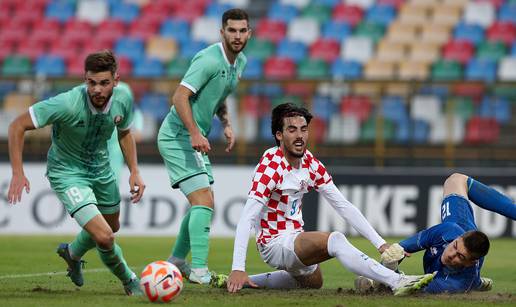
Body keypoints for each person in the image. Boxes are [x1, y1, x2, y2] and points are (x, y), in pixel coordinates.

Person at [221, 103, 434, 296]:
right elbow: (246, 218)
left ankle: (242, 283)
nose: (299, 136)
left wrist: (380, 243)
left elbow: (342, 205)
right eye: (292, 129)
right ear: (279, 135)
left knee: (312, 283)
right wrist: (238, 267)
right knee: (335, 239)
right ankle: (397, 281)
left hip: (295, 238)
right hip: (273, 242)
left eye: (303, 129)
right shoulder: (271, 166)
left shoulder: (309, 163)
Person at [7, 50, 145, 296]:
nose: (97, 90)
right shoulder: (67, 103)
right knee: (104, 237)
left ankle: (72, 253)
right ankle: (130, 279)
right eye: (91, 83)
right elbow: (17, 125)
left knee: (112, 226)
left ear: (116, 80)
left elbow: (124, 132)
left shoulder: (123, 99)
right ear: (85, 79)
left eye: (104, 83)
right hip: (67, 172)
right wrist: (18, 172)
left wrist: (134, 170)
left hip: (101, 169)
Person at [157, 8, 250, 284]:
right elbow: (180, 96)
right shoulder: (208, 59)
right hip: (178, 136)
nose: (237, 36)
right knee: (204, 201)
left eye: (242, 30)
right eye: (231, 30)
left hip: (193, 138)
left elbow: (219, 94)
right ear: (222, 32)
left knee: (205, 201)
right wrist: (195, 132)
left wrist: (226, 123)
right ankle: (199, 271)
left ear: (249, 33)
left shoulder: (240, 62)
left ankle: (176, 260)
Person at [357, 172, 515, 294]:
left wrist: (386, 275)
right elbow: (401, 248)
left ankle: (477, 282)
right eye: (454, 247)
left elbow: (407, 286)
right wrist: (387, 263)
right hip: (462, 224)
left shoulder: (456, 283)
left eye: (460, 257)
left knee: (472, 283)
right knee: (456, 180)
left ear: (469, 263)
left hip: (465, 278)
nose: (451, 255)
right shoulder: (449, 231)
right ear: (457, 239)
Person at [107, 81, 144, 182]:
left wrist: (138, 129)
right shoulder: (86, 88)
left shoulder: (124, 88)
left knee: (113, 179)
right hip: (93, 143)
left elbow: (134, 110)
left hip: (115, 144)